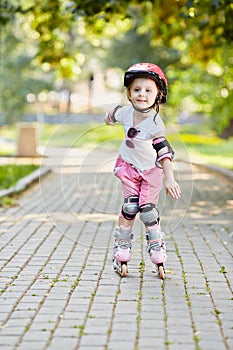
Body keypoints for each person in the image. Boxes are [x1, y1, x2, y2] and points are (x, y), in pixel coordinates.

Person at [104, 62, 181, 278]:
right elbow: (112, 115)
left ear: (158, 95)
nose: (142, 94)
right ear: (129, 93)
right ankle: (122, 246)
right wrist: (109, 118)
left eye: (148, 90)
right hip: (128, 168)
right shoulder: (125, 112)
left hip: (150, 172)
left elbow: (164, 152)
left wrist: (170, 180)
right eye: (136, 90)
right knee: (130, 208)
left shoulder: (155, 123)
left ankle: (157, 247)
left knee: (148, 212)